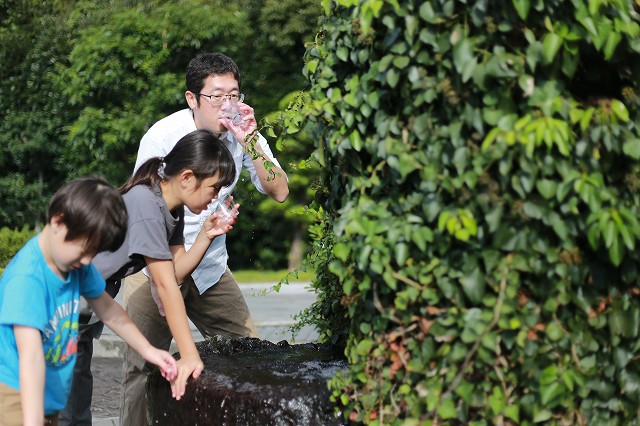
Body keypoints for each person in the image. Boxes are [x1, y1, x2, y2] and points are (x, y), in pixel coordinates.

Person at [118, 52, 289, 425]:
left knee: (252, 353)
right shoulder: (162, 136)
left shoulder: (244, 133)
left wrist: (252, 141)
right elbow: (147, 215)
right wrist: (166, 284)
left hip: (210, 268)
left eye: (235, 95)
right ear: (192, 99)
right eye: (217, 96)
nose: (229, 106)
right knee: (141, 367)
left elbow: (279, 192)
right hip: (153, 266)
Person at [60, 130, 238, 425]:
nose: (216, 196)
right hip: (61, 306)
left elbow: (175, 271)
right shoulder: (145, 203)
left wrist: (206, 235)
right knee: (63, 410)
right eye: (214, 187)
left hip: (85, 310)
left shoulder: (170, 207)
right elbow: (167, 286)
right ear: (187, 178)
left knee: (75, 409)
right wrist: (190, 355)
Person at [0, 177, 178, 426]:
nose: (87, 261)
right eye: (84, 250)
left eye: (94, 253)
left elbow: (108, 309)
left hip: (48, 393)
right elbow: (30, 359)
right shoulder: (27, 281)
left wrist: (148, 350)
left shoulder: (74, 264)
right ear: (58, 222)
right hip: (17, 394)